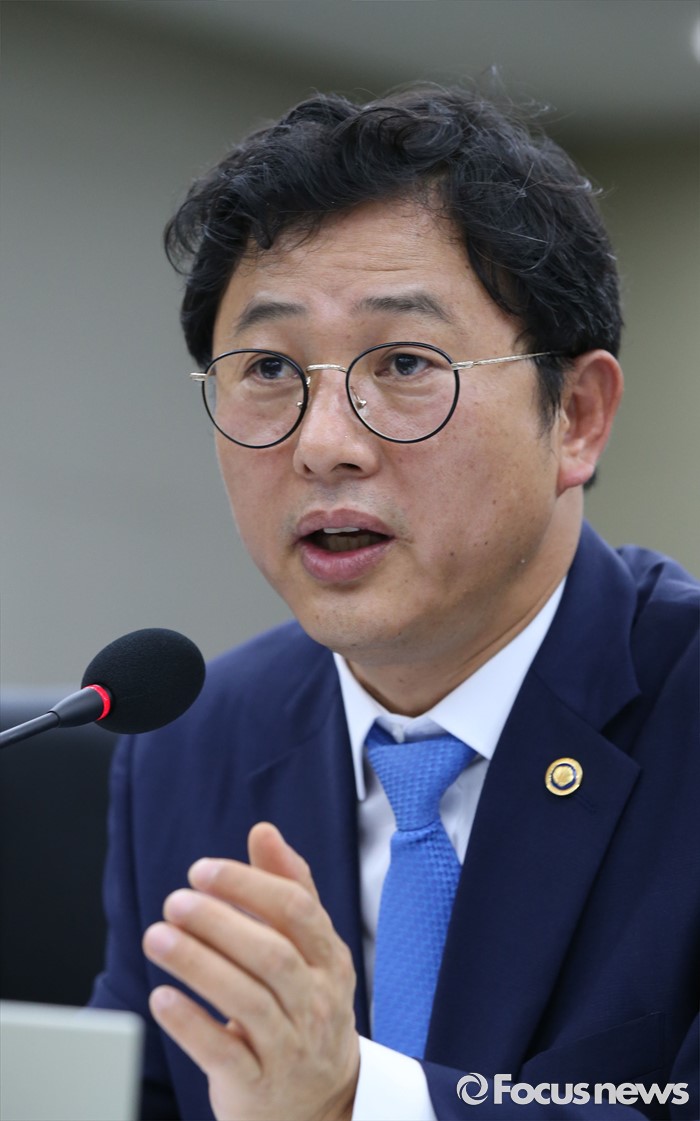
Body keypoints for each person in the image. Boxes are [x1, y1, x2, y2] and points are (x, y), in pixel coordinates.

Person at [90, 85, 699, 1120]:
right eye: (268, 368)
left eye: (406, 362)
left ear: (577, 417)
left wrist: (351, 1099)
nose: (325, 442)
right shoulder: (191, 745)